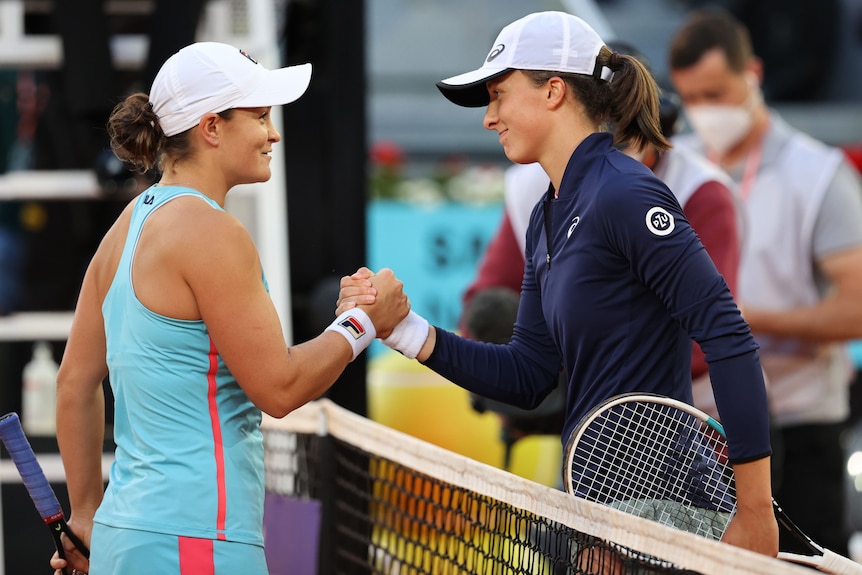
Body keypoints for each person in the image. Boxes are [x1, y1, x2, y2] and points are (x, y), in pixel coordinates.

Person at [339, 10, 778, 560]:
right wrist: (404, 329)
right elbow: (529, 375)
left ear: (553, 92)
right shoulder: (544, 215)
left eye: (499, 95)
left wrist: (756, 512)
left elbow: (728, 336)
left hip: (661, 511)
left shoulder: (626, 194)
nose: (488, 117)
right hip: (597, 509)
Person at [49, 42, 409, 575]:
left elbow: (75, 382)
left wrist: (85, 519)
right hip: (198, 540)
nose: (274, 133)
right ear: (211, 127)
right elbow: (278, 388)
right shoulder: (212, 231)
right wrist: (363, 325)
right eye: (261, 116)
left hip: (126, 538)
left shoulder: (128, 224)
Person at [667, 8, 862, 557]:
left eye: (717, 92)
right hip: (704, 428)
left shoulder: (819, 174)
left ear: (752, 73)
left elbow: (857, 309)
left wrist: (742, 320)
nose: (706, 112)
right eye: (693, 98)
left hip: (801, 427)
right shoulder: (674, 172)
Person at [460, 43, 742, 422]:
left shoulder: (701, 192)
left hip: (696, 418)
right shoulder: (533, 189)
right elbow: (485, 306)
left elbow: (713, 336)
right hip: (585, 423)